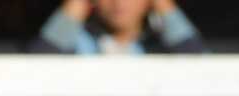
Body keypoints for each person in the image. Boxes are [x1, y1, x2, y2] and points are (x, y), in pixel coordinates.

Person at [31, 0, 203, 55]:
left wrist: (165, 7)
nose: (119, 4)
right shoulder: (76, 42)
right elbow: (35, 68)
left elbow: (200, 66)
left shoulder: (162, 44)